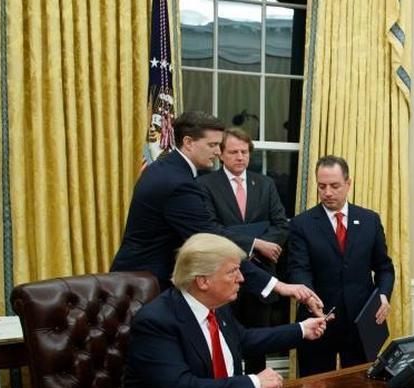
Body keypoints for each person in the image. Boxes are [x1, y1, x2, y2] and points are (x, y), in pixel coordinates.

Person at [111, 111, 321, 313]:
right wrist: (277, 285)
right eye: (212, 145)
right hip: (145, 285)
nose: (218, 152)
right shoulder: (178, 183)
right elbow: (211, 242)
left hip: (139, 279)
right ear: (188, 142)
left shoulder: (167, 168)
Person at [120, 233, 328, 388]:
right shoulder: (156, 321)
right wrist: (253, 383)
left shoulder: (216, 305)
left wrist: (301, 330)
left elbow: (244, 340)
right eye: (232, 271)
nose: (241, 278)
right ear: (202, 281)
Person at [287, 155, 395, 376]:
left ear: (348, 184)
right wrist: (309, 297)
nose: (327, 192)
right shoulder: (301, 224)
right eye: (322, 186)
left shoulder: (369, 220)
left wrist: (383, 295)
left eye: (334, 186)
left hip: (361, 323)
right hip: (318, 320)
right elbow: (298, 269)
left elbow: (384, 267)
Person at [197, 127, 290, 374]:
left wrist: (265, 247)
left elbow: (281, 224)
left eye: (244, 151)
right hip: (222, 277)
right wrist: (254, 245)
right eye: (234, 152)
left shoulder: (265, 184)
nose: (240, 157)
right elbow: (211, 229)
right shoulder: (205, 185)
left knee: (259, 343)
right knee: (228, 344)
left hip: (261, 276)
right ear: (221, 155)